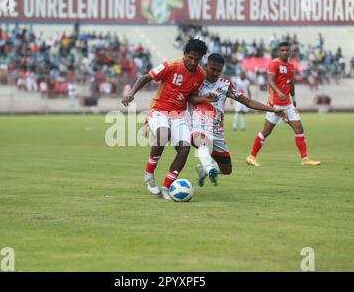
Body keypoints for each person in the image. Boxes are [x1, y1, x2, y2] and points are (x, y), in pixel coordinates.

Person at [121, 38, 212, 200]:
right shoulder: (171, 65)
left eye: (196, 59)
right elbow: (145, 78)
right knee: (164, 134)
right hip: (159, 109)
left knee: (184, 149)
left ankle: (166, 187)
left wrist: (205, 98)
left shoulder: (200, 74)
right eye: (190, 57)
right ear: (184, 54)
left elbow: (191, 97)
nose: (192, 62)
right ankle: (149, 174)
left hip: (178, 114)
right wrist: (131, 93)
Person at [190, 53, 286, 186]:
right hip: (199, 123)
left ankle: (203, 170)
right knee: (201, 142)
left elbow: (247, 102)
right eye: (213, 69)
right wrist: (204, 98)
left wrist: (273, 109)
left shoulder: (225, 85)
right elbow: (189, 98)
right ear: (206, 66)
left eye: (219, 70)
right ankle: (209, 167)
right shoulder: (196, 81)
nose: (216, 73)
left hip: (217, 131)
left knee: (227, 170)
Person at [245, 42, 321, 167]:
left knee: (299, 128)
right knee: (266, 131)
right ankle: (251, 157)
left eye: (287, 50)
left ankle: (305, 159)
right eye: (282, 50)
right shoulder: (274, 64)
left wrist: (294, 98)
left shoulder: (291, 66)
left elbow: (291, 84)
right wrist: (279, 92)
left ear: (290, 52)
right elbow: (269, 80)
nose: (285, 52)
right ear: (279, 52)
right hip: (275, 104)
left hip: (288, 104)